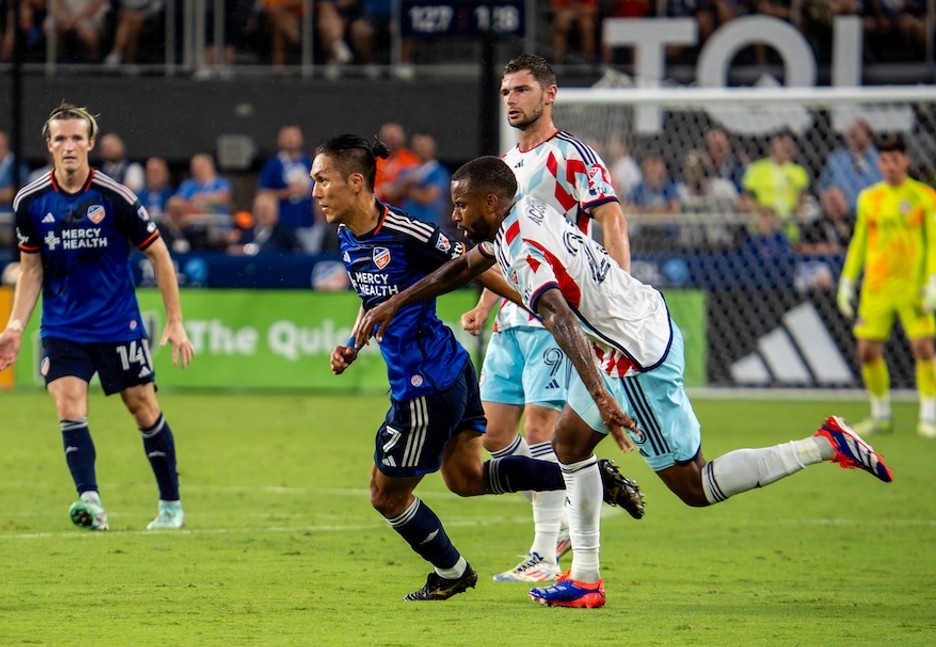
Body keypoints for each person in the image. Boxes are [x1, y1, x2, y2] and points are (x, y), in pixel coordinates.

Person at [356, 155, 893, 609]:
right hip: (630, 331)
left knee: (695, 486)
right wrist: (393, 305)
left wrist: (602, 396)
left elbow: (559, 318)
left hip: (635, 357)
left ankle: (825, 444)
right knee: (567, 443)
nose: (454, 213)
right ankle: (585, 580)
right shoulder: (521, 215)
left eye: (462, 204)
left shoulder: (523, 246)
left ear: (491, 205)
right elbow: (466, 266)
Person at [314, 134, 645, 603]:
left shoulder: (408, 231)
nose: (315, 191)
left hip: (425, 383)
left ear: (354, 182)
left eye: (322, 179)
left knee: (385, 495)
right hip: (447, 371)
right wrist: (353, 342)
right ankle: (589, 476)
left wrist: (536, 307)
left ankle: (452, 572)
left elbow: (478, 266)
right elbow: (375, 299)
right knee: (465, 478)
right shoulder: (348, 234)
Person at [0, 102, 195, 531]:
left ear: (90, 144)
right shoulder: (30, 201)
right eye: (60, 138)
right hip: (62, 326)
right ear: (49, 146)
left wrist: (174, 320)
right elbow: (31, 269)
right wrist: (15, 325)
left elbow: (158, 253)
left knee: (142, 407)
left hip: (117, 324)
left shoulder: (116, 197)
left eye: (77, 138)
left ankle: (171, 505)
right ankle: (91, 503)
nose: (69, 146)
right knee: (68, 404)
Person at [464, 53, 632, 585]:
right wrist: (485, 305)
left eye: (521, 90)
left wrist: (617, 298)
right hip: (512, 317)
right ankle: (574, 493)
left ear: (549, 94)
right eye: (506, 92)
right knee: (493, 436)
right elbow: (500, 247)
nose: (511, 100)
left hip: (557, 315)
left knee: (541, 428)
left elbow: (612, 219)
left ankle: (544, 551)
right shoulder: (504, 167)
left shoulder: (574, 156)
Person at [836, 134, 936, 438]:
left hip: (913, 286)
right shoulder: (869, 198)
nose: (889, 166)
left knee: (923, 348)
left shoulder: (924, 196)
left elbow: (933, 242)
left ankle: (929, 416)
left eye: (894, 159)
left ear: (905, 160)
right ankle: (881, 415)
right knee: (866, 351)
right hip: (877, 287)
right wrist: (848, 279)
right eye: (884, 160)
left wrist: (933, 280)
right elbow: (860, 242)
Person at [255, 124, 323, 255]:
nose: (291, 140)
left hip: (308, 222)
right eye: (287, 137)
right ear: (280, 140)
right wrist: (288, 192)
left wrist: (320, 221)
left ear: (300, 139)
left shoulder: (309, 162)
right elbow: (263, 194)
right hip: (282, 224)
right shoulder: (273, 164)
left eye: (294, 136)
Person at [741, 131, 812, 243]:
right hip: (761, 224)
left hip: (788, 225)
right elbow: (746, 200)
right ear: (772, 147)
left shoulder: (798, 172)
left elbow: (800, 202)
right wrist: (765, 211)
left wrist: (793, 214)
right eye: (781, 143)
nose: (786, 147)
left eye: (788, 144)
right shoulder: (756, 169)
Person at [816, 119, 882, 216]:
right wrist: (831, 196)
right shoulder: (836, 159)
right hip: (843, 213)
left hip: (873, 212)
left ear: (868, 137)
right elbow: (822, 187)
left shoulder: (880, 160)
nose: (851, 136)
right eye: (850, 133)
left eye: (856, 133)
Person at [398, 132, 451, 227]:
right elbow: (393, 195)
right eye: (418, 145)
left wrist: (407, 189)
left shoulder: (440, 172)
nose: (422, 149)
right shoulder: (406, 170)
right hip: (407, 227)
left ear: (433, 147)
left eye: (425, 145)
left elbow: (428, 197)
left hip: (430, 226)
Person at [372, 122, 420, 207]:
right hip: (374, 205)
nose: (391, 141)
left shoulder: (411, 160)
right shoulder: (373, 159)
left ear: (402, 139)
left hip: (401, 209)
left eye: (394, 138)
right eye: (388, 138)